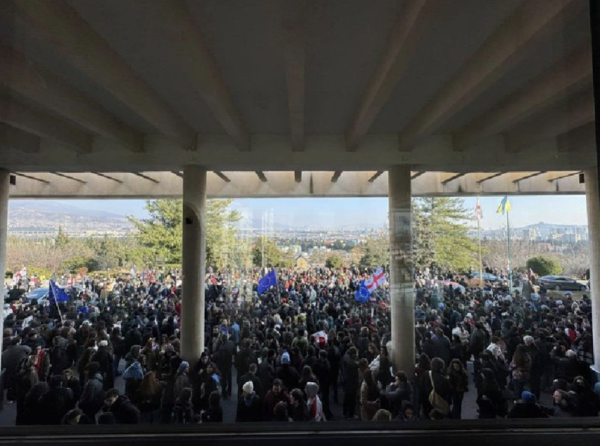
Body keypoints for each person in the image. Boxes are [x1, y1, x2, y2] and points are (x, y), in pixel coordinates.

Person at [342, 347, 359, 419]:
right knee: (352, 399)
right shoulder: (352, 364)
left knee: (346, 398)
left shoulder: (345, 357)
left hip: (346, 381)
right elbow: (355, 367)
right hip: (351, 383)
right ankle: (351, 414)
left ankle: (345, 412)